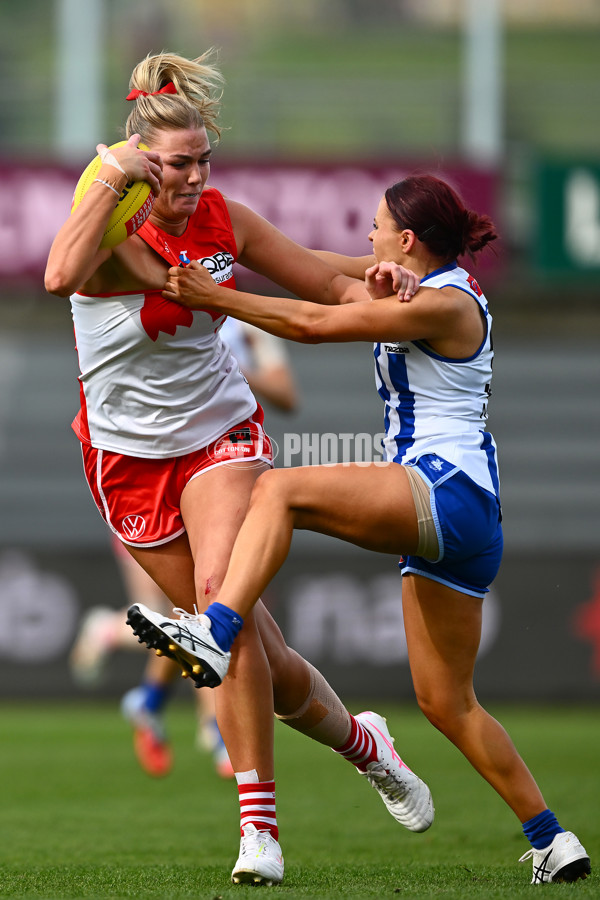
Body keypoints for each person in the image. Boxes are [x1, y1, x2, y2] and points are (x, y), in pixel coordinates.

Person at [128, 174, 591, 886]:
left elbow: (313, 325)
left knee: (279, 489)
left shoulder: (441, 303)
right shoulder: (419, 287)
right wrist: (256, 259)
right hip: (468, 517)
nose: (367, 237)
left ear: (408, 240)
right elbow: (321, 273)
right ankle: (552, 838)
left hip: (444, 487)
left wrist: (215, 297)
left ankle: (215, 633)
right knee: (447, 703)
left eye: (377, 227)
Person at [45, 50, 432, 887]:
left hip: (222, 434)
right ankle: (366, 745)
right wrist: (112, 176)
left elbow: (322, 283)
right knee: (259, 647)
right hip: (125, 457)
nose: (192, 179)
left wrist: (378, 279)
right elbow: (57, 274)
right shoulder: (113, 228)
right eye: (176, 164)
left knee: (224, 601)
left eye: (202, 161)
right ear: (143, 160)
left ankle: (259, 829)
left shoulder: (225, 218)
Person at [69, 319, 299, 779]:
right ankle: (211, 725)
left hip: (218, 470)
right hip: (152, 476)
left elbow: (287, 396)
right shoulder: (163, 304)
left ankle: (153, 698)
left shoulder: (251, 324)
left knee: (211, 609)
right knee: (196, 610)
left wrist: (222, 368)